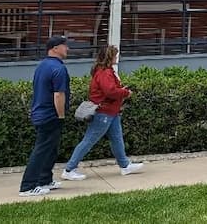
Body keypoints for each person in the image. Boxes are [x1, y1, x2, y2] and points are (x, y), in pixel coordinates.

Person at [61, 45, 145, 181]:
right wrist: (125, 92)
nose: (117, 57)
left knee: (117, 139)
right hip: (104, 112)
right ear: (109, 57)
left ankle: (125, 166)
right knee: (89, 140)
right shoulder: (105, 72)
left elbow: (109, 89)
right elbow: (110, 91)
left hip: (111, 111)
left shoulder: (103, 71)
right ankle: (69, 169)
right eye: (115, 55)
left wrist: (120, 90)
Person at [19, 35, 71, 197]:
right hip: (50, 115)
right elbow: (58, 95)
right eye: (64, 45)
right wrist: (61, 115)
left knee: (50, 149)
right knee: (42, 150)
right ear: (55, 48)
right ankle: (28, 186)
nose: (67, 48)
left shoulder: (43, 66)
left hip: (41, 113)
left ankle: (44, 180)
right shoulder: (58, 69)